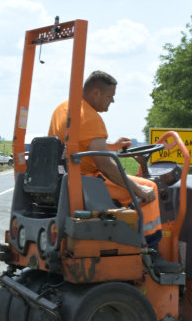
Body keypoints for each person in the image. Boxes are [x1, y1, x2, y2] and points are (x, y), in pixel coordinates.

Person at [48, 70, 171, 269]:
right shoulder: (90, 117)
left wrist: (111, 147)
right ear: (96, 93)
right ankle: (151, 251)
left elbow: (78, 145)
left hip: (70, 178)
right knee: (151, 187)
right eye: (109, 96)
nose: (111, 102)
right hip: (88, 183)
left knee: (138, 185)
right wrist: (139, 190)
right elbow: (104, 165)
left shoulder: (64, 108)